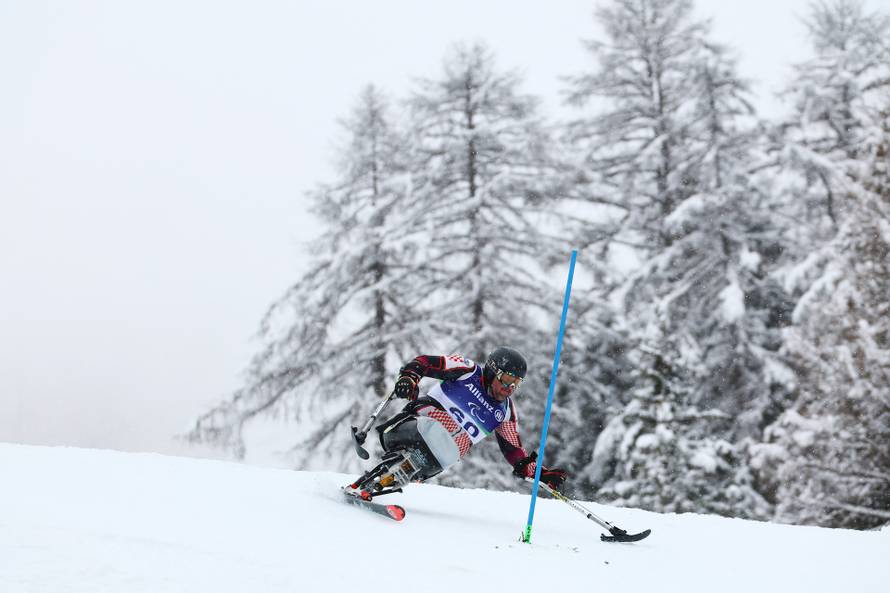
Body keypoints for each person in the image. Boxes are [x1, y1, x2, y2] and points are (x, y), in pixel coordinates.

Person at [345, 347, 568, 499]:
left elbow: (513, 450)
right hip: (411, 427)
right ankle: (394, 468)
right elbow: (425, 362)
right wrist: (410, 377)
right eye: (507, 379)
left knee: (459, 443)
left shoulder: (505, 411)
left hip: (439, 456)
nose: (509, 388)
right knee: (454, 433)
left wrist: (536, 472)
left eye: (516, 383)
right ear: (492, 371)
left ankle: (380, 483)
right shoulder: (468, 371)